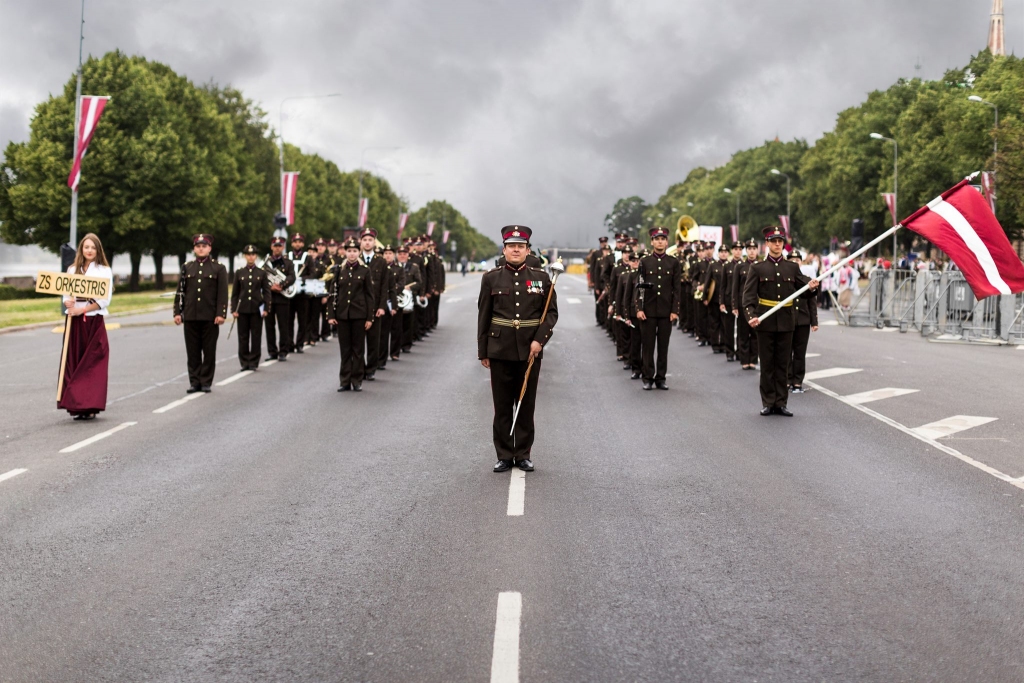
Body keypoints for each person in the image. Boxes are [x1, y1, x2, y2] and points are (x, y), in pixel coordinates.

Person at [478, 225, 558, 473]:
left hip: (529, 349)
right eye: (511, 246)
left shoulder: (542, 278)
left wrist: (539, 341)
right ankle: (503, 454)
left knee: (525, 404)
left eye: (520, 246)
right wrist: (483, 351)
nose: (515, 250)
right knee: (502, 405)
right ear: (504, 250)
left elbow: (551, 314)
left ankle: (522, 454)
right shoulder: (490, 278)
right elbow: (483, 315)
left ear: (527, 250)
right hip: (499, 349)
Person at [742, 227, 819, 416]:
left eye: (780, 241)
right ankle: (768, 402)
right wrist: (751, 315)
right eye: (773, 241)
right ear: (767, 243)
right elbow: (748, 296)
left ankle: (781, 402)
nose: (777, 244)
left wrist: (813, 286)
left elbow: (806, 289)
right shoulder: (757, 268)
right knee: (767, 364)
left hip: (786, 322)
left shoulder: (791, 267)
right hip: (765, 321)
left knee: (783, 364)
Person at [58, 232, 113, 420]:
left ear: (98, 250)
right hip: (74, 323)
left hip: (93, 321)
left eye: (93, 247)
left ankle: (89, 404)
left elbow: (104, 300)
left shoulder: (104, 271)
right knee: (74, 362)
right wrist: (68, 304)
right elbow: (67, 294)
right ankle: (76, 405)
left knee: (92, 363)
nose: (89, 250)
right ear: (82, 249)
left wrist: (83, 310)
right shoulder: (72, 269)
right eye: (86, 247)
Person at [173, 233, 228, 393]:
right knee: (193, 351)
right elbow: (180, 292)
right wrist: (178, 312)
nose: (201, 248)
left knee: (209, 351)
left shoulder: (218, 268)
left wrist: (221, 313)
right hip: (190, 316)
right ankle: (194, 381)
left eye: (204, 246)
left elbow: (222, 294)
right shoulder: (187, 267)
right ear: (194, 248)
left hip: (210, 317)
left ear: (209, 248)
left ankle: (205, 382)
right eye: (198, 246)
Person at [635, 226, 681, 390]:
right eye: (657, 239)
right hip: (647, 310)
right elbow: (639, 286)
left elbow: (677, 289)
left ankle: (661, 378)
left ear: (666, 242)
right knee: (647, 346)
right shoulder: (645, 262)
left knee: (663, 346)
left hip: (666, 311)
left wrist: (675, 310)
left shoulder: (673, 262)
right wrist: (639, 308)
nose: (660, 241)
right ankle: (647, 377)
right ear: (652, 241)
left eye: (663, 239)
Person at [326, 238, 375, 392]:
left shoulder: (365, 270)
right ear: (345, 252)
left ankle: (357, 380)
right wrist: (331, 315)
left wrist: (369, 317)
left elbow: (369, 296)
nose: (352, 254)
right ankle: (345, 380)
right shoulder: (339, 270)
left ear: (359, 252)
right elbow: (333, 294)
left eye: (354, 251)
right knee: (345, 349)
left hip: (359, 315)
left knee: (358, 350)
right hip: (343, 315)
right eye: (349, 251)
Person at [229, 244, 272, 371]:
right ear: (245, 256)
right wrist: (234, 310)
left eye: (253, 254)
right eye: (248, 254)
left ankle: (253, 361)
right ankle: (244, 362)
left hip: (256, 309)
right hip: (242, 309)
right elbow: (235, 293)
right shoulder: (239, 273)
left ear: (256, 256)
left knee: (256, 336)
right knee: (243, 337)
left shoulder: (261, 273)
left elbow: (267, 292)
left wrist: (266, 308)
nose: (251, 257)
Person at [358, 228, 389, 380]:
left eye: (370, 240)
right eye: (365, 240)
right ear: (361, 242)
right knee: (357, 341)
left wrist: (382, 306)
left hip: (375, 307)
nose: (367, 242)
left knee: (373, 340)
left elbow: (384, 286)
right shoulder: (355, 259)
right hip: (358, 307)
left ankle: (370, 369)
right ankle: (360, 368)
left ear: (374, 242)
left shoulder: (381, 261)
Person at [788, 249, 819, 394]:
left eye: (797, 260)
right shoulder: (783, 279)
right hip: (786, 320)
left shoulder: (806, 279)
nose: (795, 262)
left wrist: (814, 322)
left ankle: (797, 381)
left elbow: (812, 302)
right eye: (792, 260)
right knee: (786, 352)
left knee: (800, 353)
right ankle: (787, 380)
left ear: (801, 262)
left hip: (802, 320)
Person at [264, 237, 296, 362]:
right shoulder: (266, 262)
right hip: (270, 298)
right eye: (275, 245)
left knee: (284, 326)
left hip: (283, 298)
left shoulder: (288, 263)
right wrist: (270, 287)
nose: (277, 248)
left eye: (279, 245)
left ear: (283, 247)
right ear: (271, 247)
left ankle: (283, 351)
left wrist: (281, 285)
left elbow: (292, 277)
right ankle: (272, 352)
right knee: (269, 326)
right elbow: (262, 278)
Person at [732, 238, 760, 370]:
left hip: (757, 304)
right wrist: (734, 306)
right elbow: (735, 287)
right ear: (746, 251)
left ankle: (753, 359)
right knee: (743, 333)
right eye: (749, 249)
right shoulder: (740, 266)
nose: (752, 251)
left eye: (754, 249)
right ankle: (744, 360)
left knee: (755, 333)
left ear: (757, 250)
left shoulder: (761, 266)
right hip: (743, 303)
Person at [288, 233, 315, 353]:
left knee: (302, 320)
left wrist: (302, 279)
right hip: (289, 293)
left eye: (300, 242)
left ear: (303, 244)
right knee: (288, 320)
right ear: (292, 243)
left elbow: (313, 273)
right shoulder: (287, 256)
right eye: (295, 242)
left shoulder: (308, 257)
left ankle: (299, 344)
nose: (297, 244)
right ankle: (289, 343)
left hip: (302, 293)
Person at [377, 244, 402, 370]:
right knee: (377, 334)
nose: (387, 255)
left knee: (388, 332)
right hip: (377, 303)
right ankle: (375, 358)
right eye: (385, 253)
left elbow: (397, 286)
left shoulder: (397, 268)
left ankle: (384, 358)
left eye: (390, 253)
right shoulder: (378, 267)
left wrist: (393, 305)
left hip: (390, 302)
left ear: (394, 255)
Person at [397, 245, 421, 354]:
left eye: (404, 254)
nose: (402, 256)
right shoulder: (393, 267)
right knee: (397, 324)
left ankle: (406, 345)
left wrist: (409, 287)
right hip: (397, 298)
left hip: (409, 299)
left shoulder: (414, 267)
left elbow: (419, 282)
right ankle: (396, 345)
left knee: (408, 323)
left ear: (408, 255)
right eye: (400, 254)